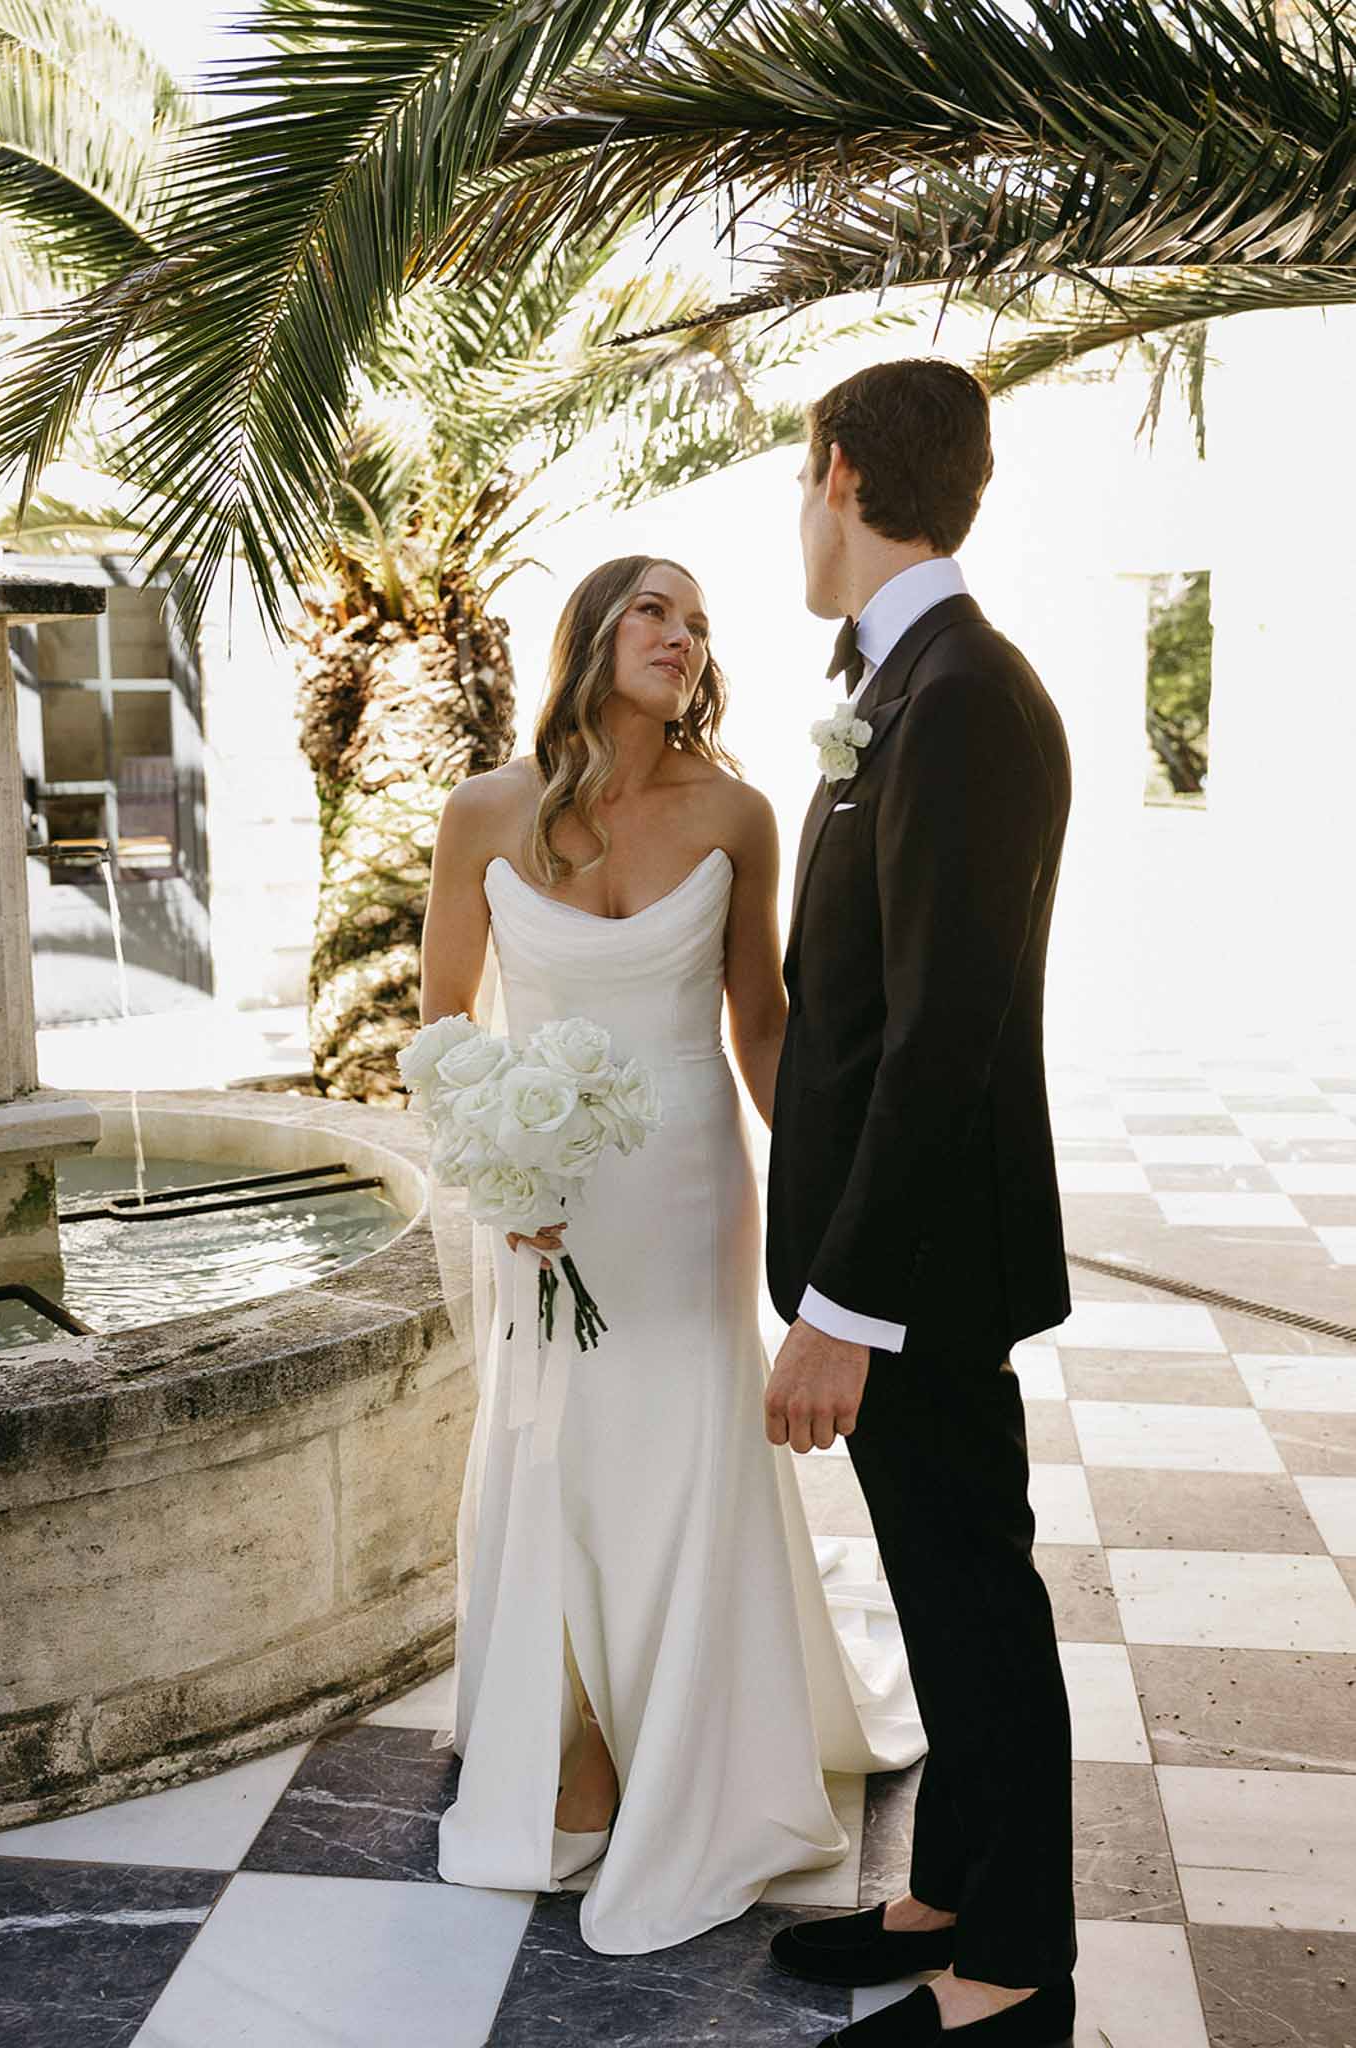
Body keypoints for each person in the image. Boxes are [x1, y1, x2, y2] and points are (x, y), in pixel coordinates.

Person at [420, 553, 924, 1957]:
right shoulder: (481, 814)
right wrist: (492, 1172)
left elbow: (758, 1022)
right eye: (657, 609)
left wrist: (837, 1212)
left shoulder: (741, 812)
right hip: (545, 1203)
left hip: (692, 1188)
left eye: (700, 625)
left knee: (687, 1445)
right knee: (561, 1448)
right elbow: (446, 1025)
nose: (683, 638)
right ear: (590, 631)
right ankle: (577, 1735)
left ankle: (691, 1750)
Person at [763, 360, 1076, 2048]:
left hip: (922, 1272)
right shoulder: (906, 678)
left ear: (834, 472)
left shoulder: (957, 696)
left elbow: (944, 1031)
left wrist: (845, 1305)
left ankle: (1011, 1960)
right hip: (897, 1261)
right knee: (944, 1583)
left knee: (973, 1596)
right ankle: (946, 1887)